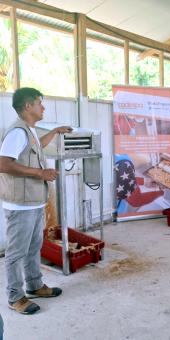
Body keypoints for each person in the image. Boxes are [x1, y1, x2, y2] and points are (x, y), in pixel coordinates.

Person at [0, 87, 72, 315]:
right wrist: (40, 174)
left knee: (33, 249)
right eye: (40, 103)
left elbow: (37, 145)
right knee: (16, 253)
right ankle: (15, 297)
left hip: (33, 202)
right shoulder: (17, 132)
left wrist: (56, 131)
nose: (43, 107)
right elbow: (3, 164)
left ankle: (34, 286)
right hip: (20, 206)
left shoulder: (28, 131)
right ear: (28, 106)